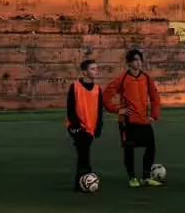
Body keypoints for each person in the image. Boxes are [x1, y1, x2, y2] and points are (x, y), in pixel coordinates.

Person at [103, 48, 163, 188]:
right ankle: (132, 177)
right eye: (135, 59)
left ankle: (146, 177)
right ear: (129, 63)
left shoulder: (147, 78)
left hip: (143, 120)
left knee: (151, 147)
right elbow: (106, 96)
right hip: (128, 122)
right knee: (129, 148)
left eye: (140, 59)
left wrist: (153, 116)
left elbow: (155, 98)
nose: (139, 62)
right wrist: (118, 110)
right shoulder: (122, 79)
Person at [65, 58, 105, 191]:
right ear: (84, 72)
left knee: (83, 152)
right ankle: (85, 179)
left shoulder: (98, 89)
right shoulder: (75, 86)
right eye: (92, 69)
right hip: (76, 127)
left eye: (96, 69)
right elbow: (70, 108)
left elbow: (99, 110)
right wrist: (76, 125)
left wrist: (99, 125)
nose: (95, 71)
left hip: (90, 127)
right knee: (83, 151)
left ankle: (81, 181)